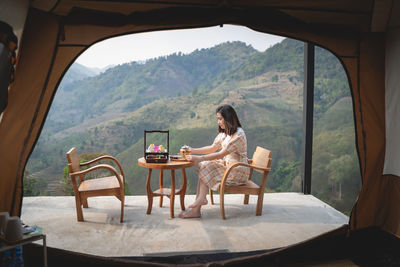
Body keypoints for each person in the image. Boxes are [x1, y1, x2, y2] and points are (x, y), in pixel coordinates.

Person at [179, 104, 250, 218]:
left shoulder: (238, 135)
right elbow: (213, 147)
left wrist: (197, 158)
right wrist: (192, 150)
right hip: (228, 166)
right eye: (218, 119)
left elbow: (220, 154)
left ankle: (198, 204)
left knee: (204, 164)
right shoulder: (226, 133)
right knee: (204, 165)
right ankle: (199, 202)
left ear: (228, 118)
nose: (219, 122)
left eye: (220, 119)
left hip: (237, 171)